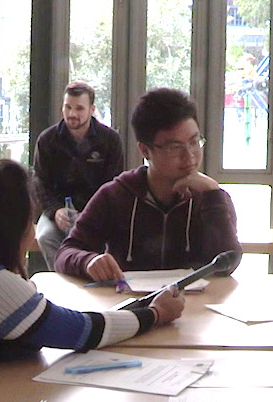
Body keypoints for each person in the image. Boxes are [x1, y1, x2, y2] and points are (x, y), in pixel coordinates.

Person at [0, 159, 185, 402]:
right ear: (5, 228)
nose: (31, 234)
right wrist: (155, 313)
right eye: (28, 221)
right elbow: (82, 331)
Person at [55, 88, 242, 282]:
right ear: (145, 150)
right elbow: (65, 253)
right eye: (174, 147)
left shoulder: (210, 196)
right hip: (131, 306)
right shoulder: (116, 195)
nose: (190, 156)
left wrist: (214, 199)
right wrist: (87, 261)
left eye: (195, 142)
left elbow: (227, 264)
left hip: (196, 305)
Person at [32, 81, 125, 269]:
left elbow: (113, 184)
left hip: (97, 211)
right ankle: (63, 281)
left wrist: (90, 213)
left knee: (107, 241)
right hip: (58, 211)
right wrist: (55, 210)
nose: (72, 114)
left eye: (79, 108)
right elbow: (40, 182)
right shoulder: (47, 140)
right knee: (45, 237)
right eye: (68, 107)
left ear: (92, 109)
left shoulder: (110, 140)